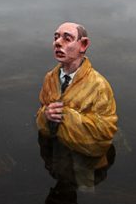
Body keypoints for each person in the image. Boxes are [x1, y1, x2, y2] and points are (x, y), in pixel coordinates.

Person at [36, 22, 118, 157]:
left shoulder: (99, 85)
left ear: (83, 45)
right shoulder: (50, 78)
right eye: (56, 37)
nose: (57, 43)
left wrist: (67, 115)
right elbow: (42, 110)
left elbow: (107, 130)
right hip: (55, 151)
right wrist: (46, 115)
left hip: (83, 158)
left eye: (67, 39)